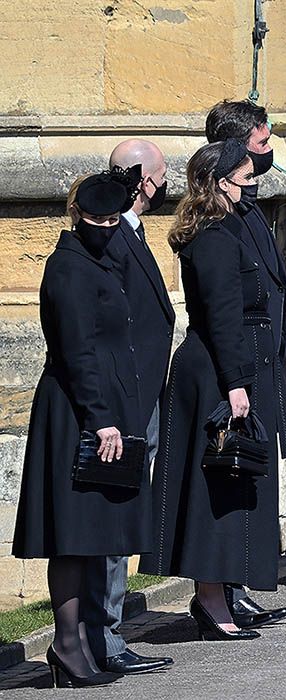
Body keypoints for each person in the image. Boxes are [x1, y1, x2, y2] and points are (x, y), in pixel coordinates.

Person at [139, 140, 286, 640]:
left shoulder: (229, 228)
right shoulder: (213, 237)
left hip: (234, 367)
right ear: (222, 182)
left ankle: (223, 590)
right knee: (216, 487)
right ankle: (209, 599)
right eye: (245, 177)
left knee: (234, 482)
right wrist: (237, 386)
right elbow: (224, 318)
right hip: (218, 373)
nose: (251, 185)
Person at [12, 173, 153, 687]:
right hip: (78, 416)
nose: (106, 228)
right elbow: (77, 353)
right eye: (97, 220)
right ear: (77, 216)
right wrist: (102, 420)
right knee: (72, 535)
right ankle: (67, 645)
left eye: (114, 220)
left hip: (100, 412)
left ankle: (77, 645)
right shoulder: (69, 268)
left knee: (92, 533)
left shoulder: (100, 259)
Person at [68, 140, 175, 677]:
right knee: (111, 516)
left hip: (142, 394)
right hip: (123, 402)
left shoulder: (130, 234)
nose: (160, 187)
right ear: (143, 181)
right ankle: (103, 635)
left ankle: (107, 629)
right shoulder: (109, 240)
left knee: (123, 515)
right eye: (157, 178)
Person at [203, 99, 286, 629]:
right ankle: (224, 588)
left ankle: (238, 583)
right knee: (234, 470)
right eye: (260, 146)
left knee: (252, 473)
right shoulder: (222, 216)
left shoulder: (249, 205)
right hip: (238, 362)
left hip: (262, 355)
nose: (267, 156)